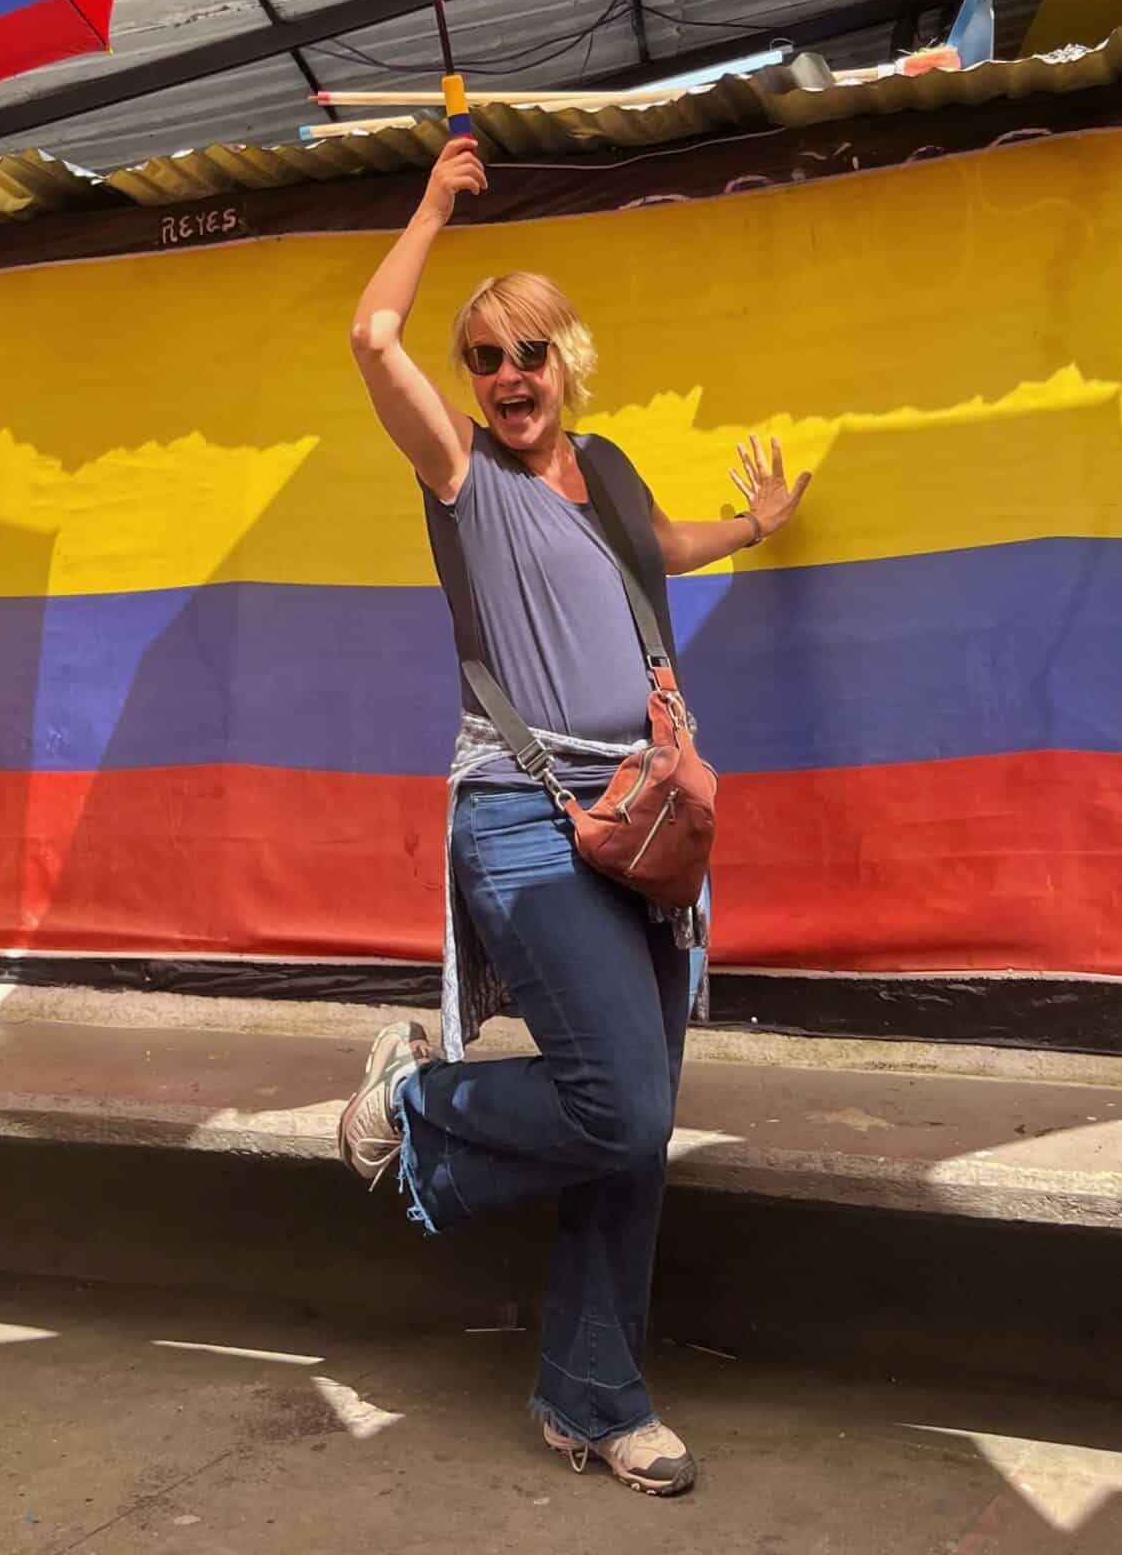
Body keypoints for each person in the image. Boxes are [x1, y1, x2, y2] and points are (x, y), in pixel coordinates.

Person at [342, 136, 810, 1497]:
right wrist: (434, 202)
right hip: (527, 817)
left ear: (568, 361)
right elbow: (375, 336)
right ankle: (412, 1103)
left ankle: (590, 1395)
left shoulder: (596, 466)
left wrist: (752, 530)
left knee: (638, 1123)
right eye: (484, 357)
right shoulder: (461, 480)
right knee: (618, 1104)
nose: (507, 378)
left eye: (527, 352)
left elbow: (656, 546)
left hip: (645, 819)